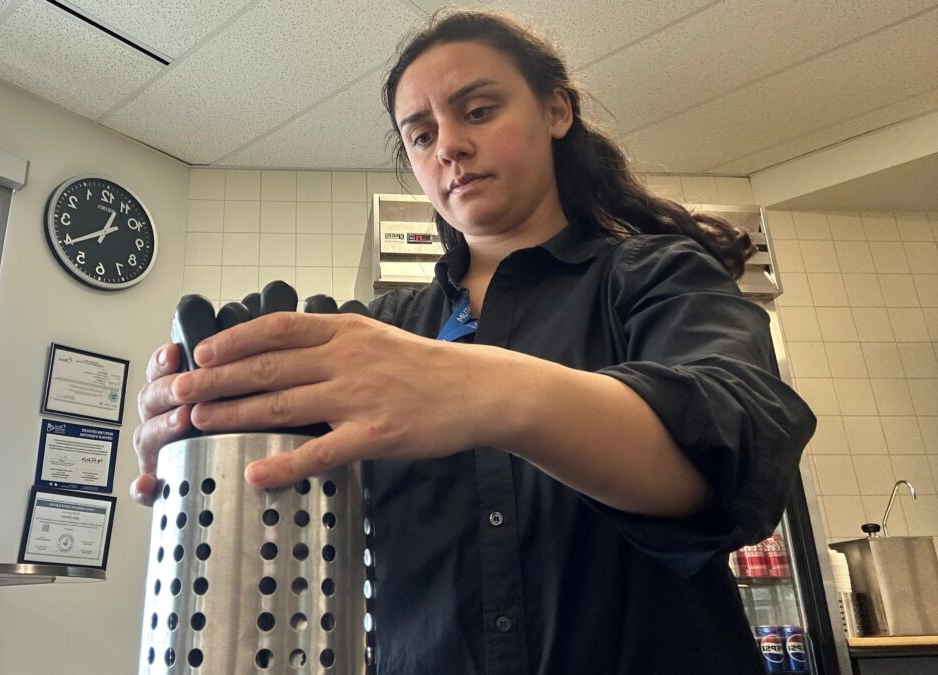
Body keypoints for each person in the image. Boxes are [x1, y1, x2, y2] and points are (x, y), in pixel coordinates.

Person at [131, 9, 815, 674]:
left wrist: (484, 392)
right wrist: (211, 429)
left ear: (556, 112)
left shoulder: (654, 277)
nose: (449, 145)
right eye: (421, 135)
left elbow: (736, 453)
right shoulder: (387, 330)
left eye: (479, 111)